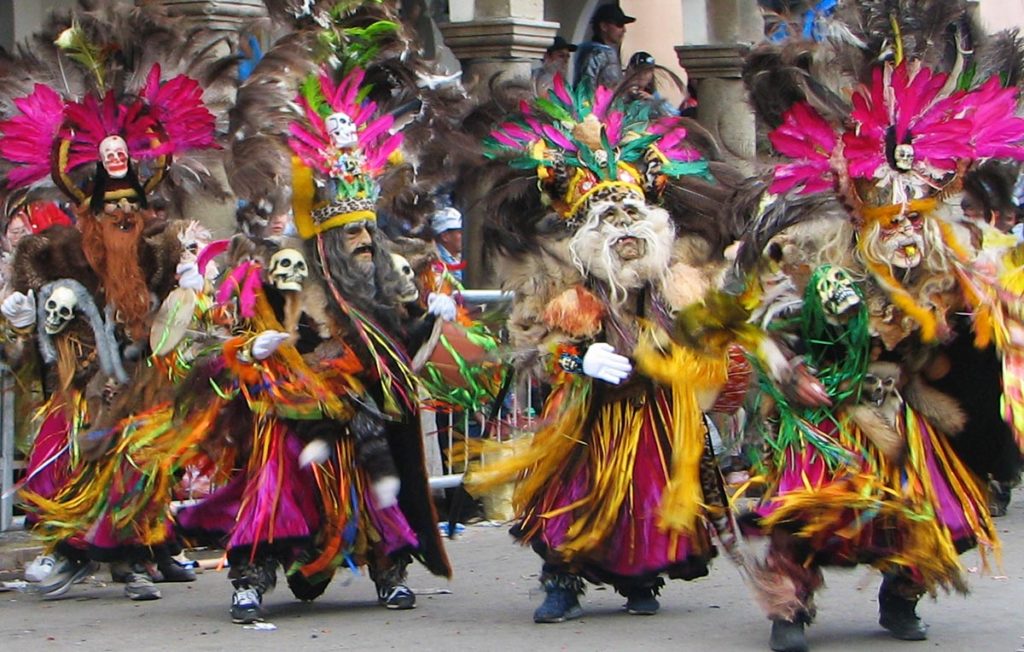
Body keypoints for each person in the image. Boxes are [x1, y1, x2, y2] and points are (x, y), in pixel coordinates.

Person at [573, 3, 635, 90]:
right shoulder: (596, 54)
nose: (624, 30)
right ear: (604, 26)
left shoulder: (601, 52)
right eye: (619, 24)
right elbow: (587, 88)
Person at [623, 51, 680, 118]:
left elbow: (675, 115)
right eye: (639, 70)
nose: (643, 74)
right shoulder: (621, 93)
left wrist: (654, 102)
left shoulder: (653, 95)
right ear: (630, 71)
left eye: (648, 71)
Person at [431, 206, 464, 284]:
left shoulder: (460, 257)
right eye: (460, 232)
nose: (465, 236)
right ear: (445, 236)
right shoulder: (435, 260)